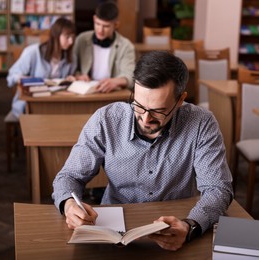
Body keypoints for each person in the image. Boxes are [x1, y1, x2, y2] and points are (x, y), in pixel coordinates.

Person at [52, 51, 233, 251]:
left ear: (180, 100)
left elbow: (218, 189)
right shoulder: (106, 120)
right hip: (113, 230)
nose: (145, 119)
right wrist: (69, 204)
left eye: (158, 110)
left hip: (175, 225)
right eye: (138, 105)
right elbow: (68, 176)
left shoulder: (201, 124)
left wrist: (190, 226)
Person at [6, 17, 77, 117]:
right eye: (67, 37)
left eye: (73, 37)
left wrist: (71, 78)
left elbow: (68, 79)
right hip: (32, 104)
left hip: (57, 103)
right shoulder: (33, 52)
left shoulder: (71, 57)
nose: (71, 41)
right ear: (56, 36)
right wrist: (21, 78)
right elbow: (11, 76)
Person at [73, 1, 135, 93]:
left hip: (111, 94)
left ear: (116, 25)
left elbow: (130, 76)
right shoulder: (81, 39)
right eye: (98, 24)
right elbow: (72, 68)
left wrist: (116, 81)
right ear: (94, 19)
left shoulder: (126, 46)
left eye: (106, 26)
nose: (100, 30)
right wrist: (78, 76)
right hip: (85, 92)